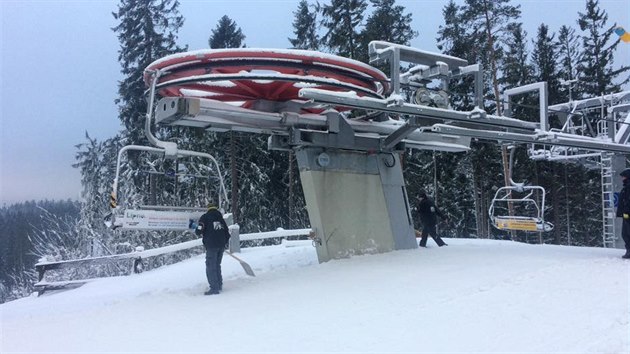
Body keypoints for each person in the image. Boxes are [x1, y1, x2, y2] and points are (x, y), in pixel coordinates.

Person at [196, 203, 231, 295]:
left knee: (210, 266)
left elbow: (199, 230)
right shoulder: (220, 218)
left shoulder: (205, 217)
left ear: (208, 209)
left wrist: (196, 229)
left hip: (211, 245)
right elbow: (227, 232)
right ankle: (219, 284)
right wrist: (224, 243)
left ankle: (214, 288)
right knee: (217, 265)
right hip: (221, 245)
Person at [616, 169, 630, 259]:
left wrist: (626, 211)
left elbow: (627, 201)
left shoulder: (628, 187)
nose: (622, 178)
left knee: (626, 233)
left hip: (628, 214)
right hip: (626, 214)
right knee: (626, 233)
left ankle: (629, 251)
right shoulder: (626, 187)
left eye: (623, 177)